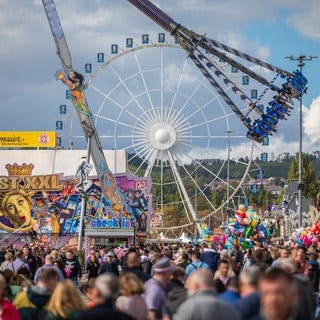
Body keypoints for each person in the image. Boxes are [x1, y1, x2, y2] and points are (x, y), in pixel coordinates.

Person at [173, 269, 241, 320]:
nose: (187, 289)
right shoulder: (227, 307)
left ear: (196, 285)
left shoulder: (188, 307)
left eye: (189, 286)